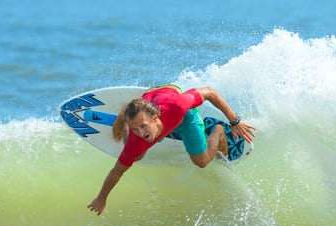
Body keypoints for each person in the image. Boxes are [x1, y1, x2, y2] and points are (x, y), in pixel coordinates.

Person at [87, 85, 256, 215]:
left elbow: (210, 92)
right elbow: (117, 171)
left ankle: (217, 131)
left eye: (143, 127)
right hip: (150, 96)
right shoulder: (137, 138)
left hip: (178, 108)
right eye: (135, 128)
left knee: (202, 161)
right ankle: (125, 117)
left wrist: (234, 121)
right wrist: (101, 198)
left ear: (155, 118)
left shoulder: (177, 106)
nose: (140, 133)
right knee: (136, 155)